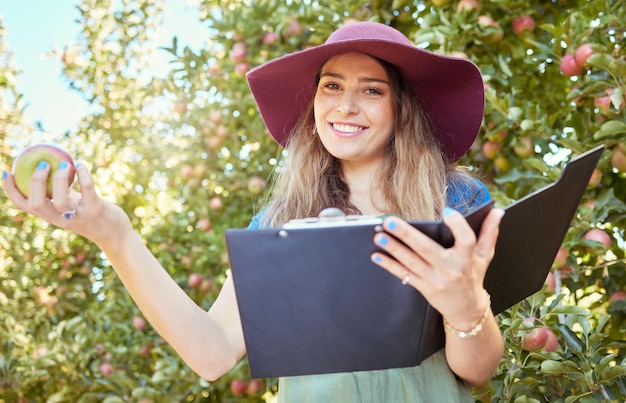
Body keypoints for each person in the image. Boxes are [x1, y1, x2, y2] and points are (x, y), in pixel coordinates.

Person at [3, 21, 504, 402]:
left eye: (372, 90)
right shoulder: (281, 224)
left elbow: (477, 370)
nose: (345, 106)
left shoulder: (455, 206)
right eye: (331, 86)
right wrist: (115, 234)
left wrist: (465, 308)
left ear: (401, 109)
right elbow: (213, 352)